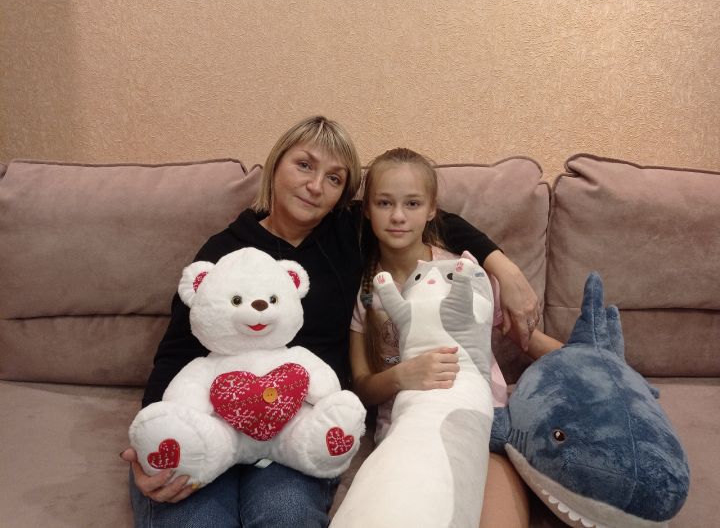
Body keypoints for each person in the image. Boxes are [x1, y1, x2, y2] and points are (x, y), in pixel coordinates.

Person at [121, 116, 543, 527]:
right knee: (195, 518)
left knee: (286, 516)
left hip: (300, 423)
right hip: (211, 417)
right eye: (304, 165)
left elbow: (431, 218)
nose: (315, 186)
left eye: (334, 178)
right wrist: (149, 444)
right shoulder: (225, 251)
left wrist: (503, 269)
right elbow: (176, 353)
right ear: (276, 165)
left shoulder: (348, 231)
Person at [349, 147, 562, 527]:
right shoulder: (368, 291)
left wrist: (589, 361)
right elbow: (363, 385)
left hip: (482, 420)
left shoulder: (463, 273)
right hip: (408, 428)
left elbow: (526, 340)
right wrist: (402, 376)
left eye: (412, 203)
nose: (397, 216)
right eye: (384, 203)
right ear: (367, 210)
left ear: (432, 209)